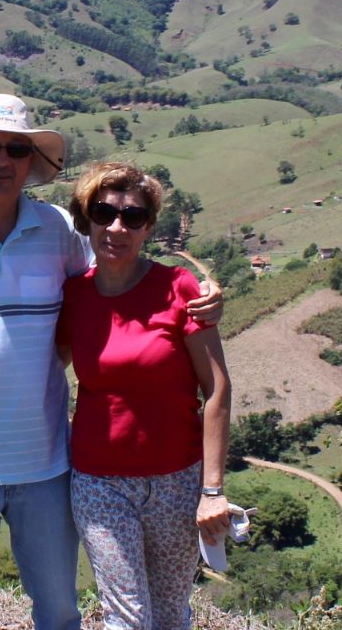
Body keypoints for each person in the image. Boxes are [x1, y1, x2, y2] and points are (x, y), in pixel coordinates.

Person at [0, 95, 220, 630]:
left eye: (15, 149)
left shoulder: (58, 229)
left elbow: (114, 282)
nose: (1, 159)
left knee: (60, 614)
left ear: (30, 162)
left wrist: (198, 294)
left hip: (48, 465)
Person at [57, 162, 232, 630]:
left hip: (177, 480)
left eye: (132, 217)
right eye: (104, 213)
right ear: (86, 219)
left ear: (148, 227)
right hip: (99, 482)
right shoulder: (73, 295)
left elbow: (217, 389)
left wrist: (212, 491)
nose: (117, 227)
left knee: (172, 612)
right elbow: (43, 363)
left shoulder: (179, 290)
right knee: (128, 616)